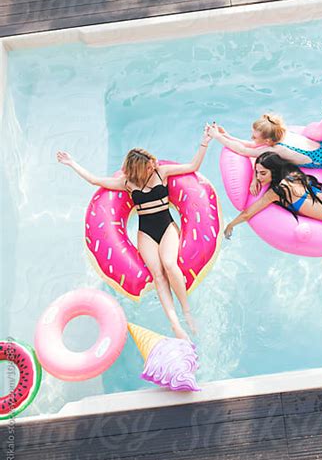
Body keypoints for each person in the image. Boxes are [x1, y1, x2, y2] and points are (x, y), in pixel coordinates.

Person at [57, 129, 212, 342]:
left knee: (169, 263)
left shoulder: (162, 173)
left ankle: (186, 311)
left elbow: (193, 166)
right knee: (158, 275)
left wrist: (204, 142)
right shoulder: (126, 183)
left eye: (153, 162)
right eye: (149, 164)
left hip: (167, 226)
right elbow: (94, 180)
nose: (154, 164)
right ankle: (175, 324)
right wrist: (72, 163)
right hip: (146, 232)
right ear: (139, 168)